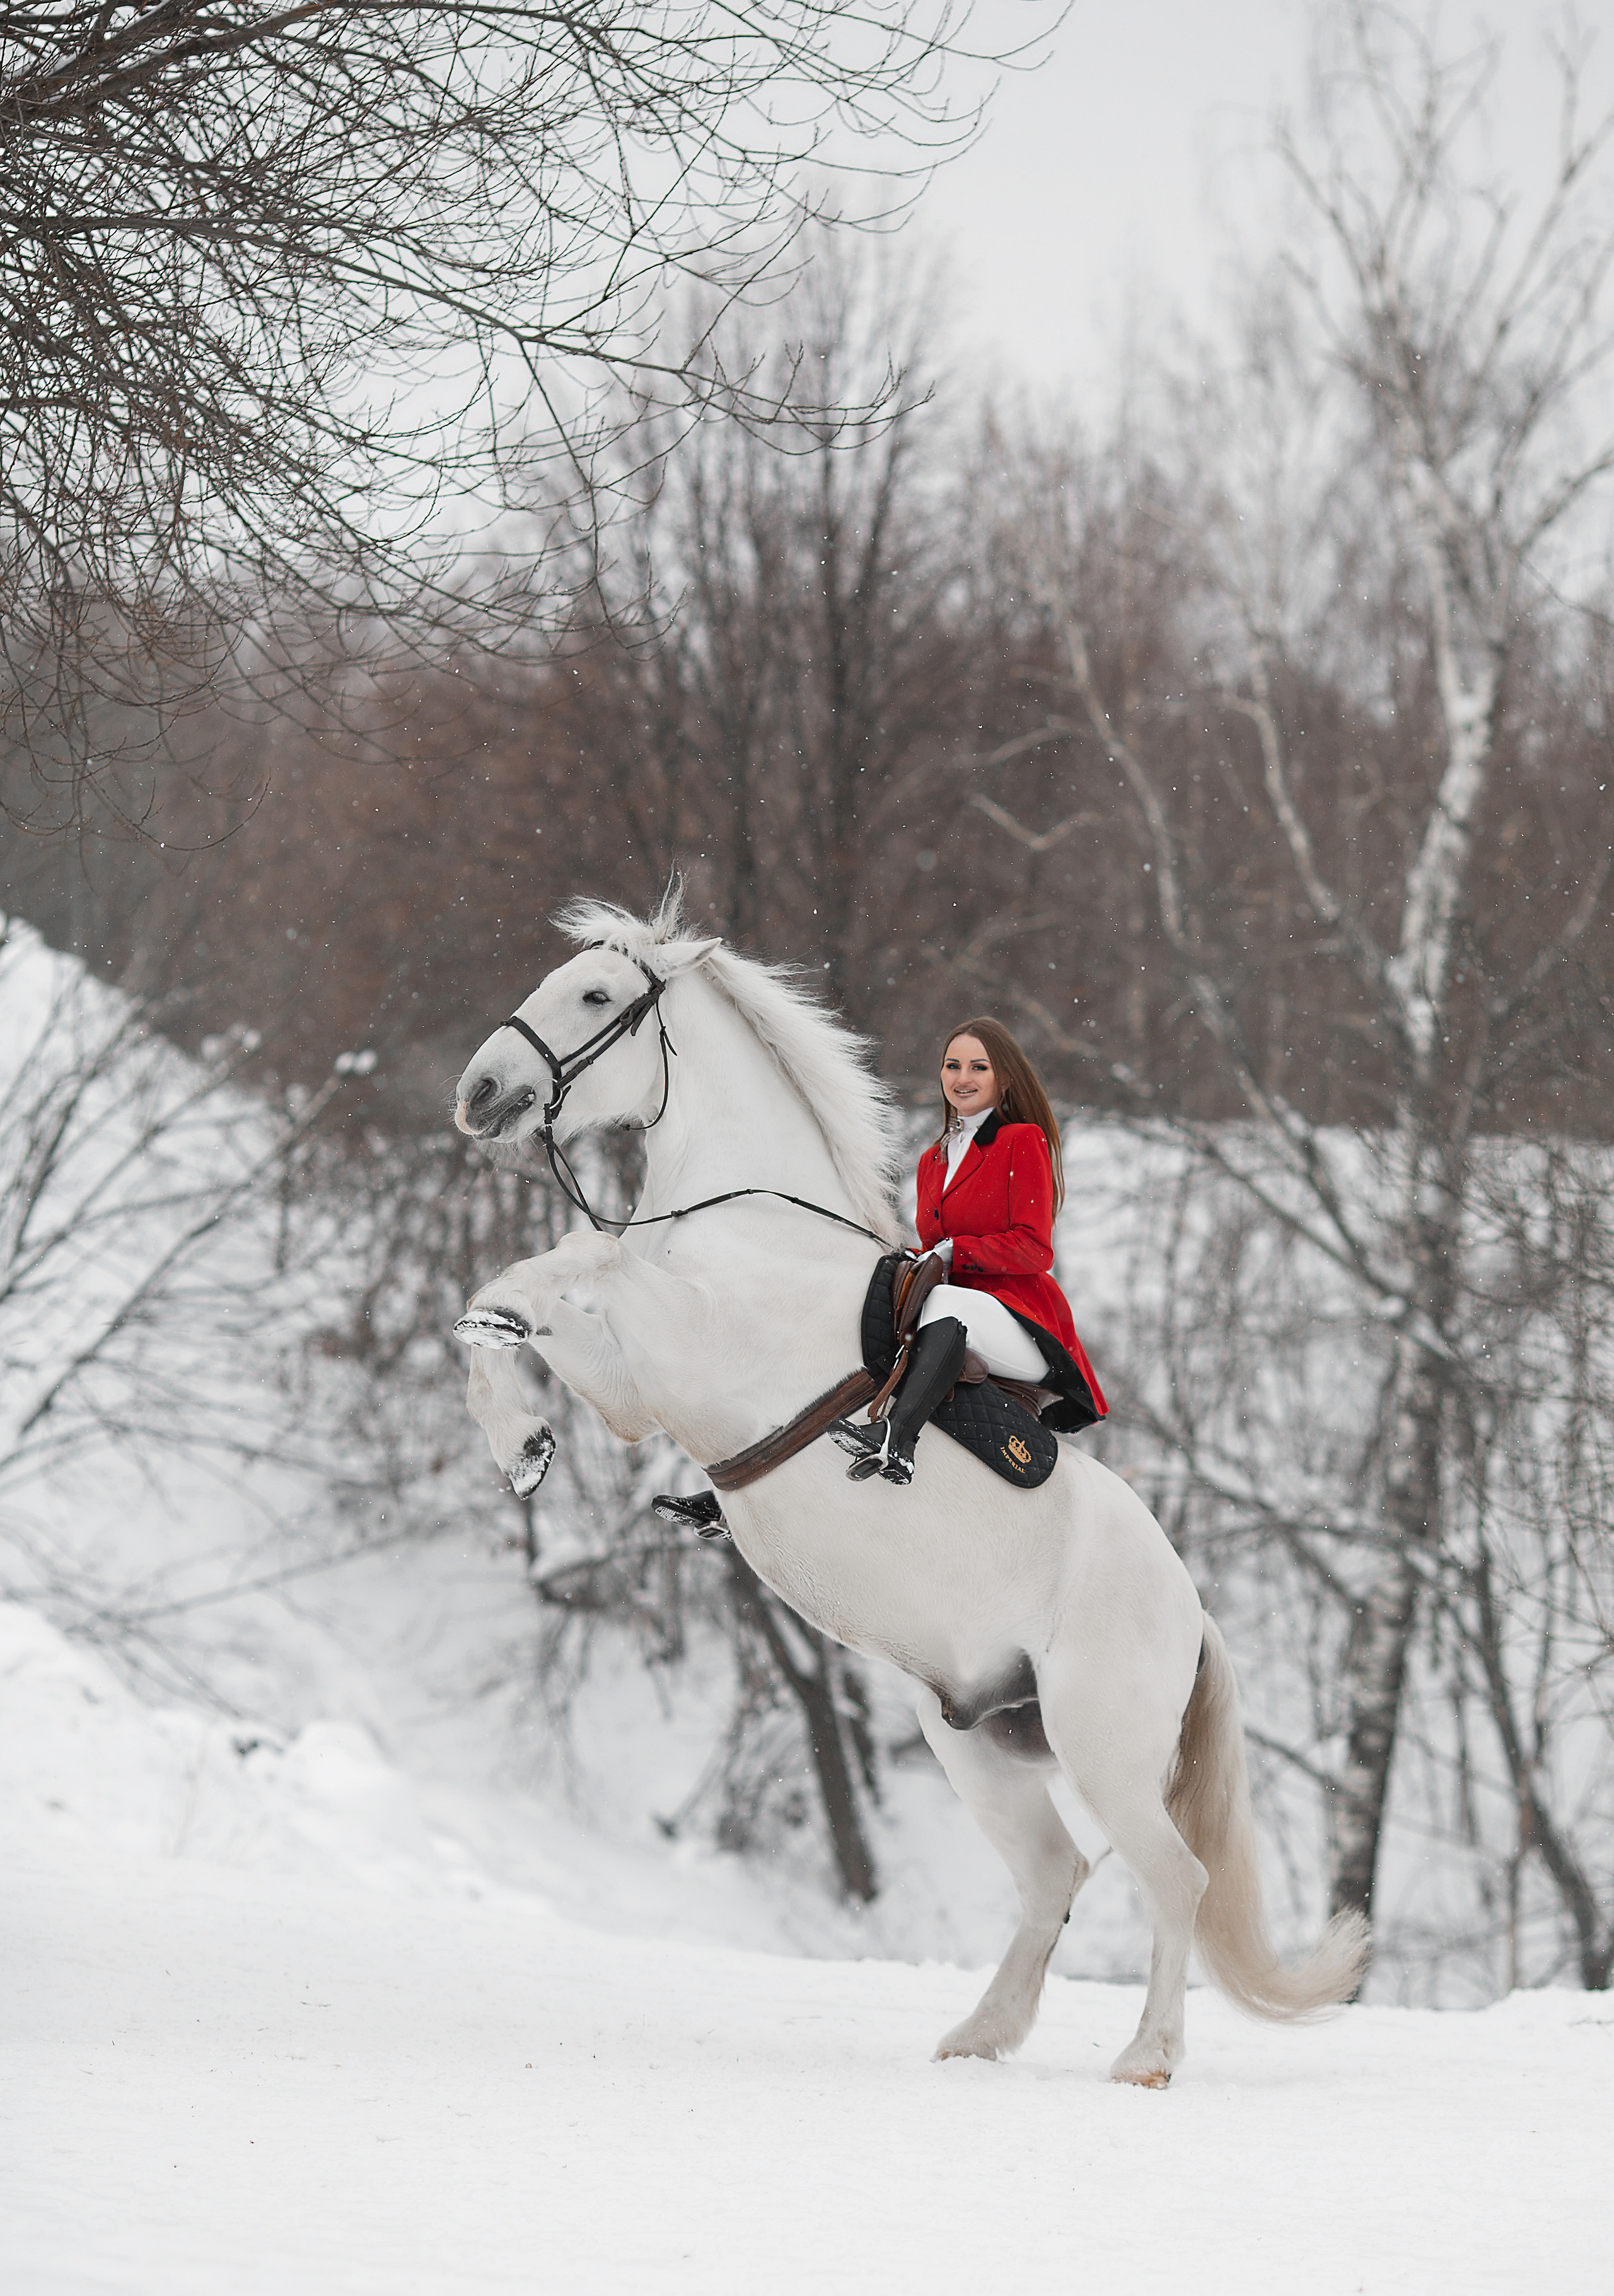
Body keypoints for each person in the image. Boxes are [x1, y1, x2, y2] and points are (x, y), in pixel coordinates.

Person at [837, 1017, 1107, 1487]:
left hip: (1021, 1325)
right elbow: (933, 1244)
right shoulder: (931, 1160)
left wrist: (952, 1252)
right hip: (956, 1316)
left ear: (1003, 1079)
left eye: (978, 1067)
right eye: (953, 1066)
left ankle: (897, 1442)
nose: (963, 1078)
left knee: (943, 1302)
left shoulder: (1022, 1141)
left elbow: (1034, 1248)